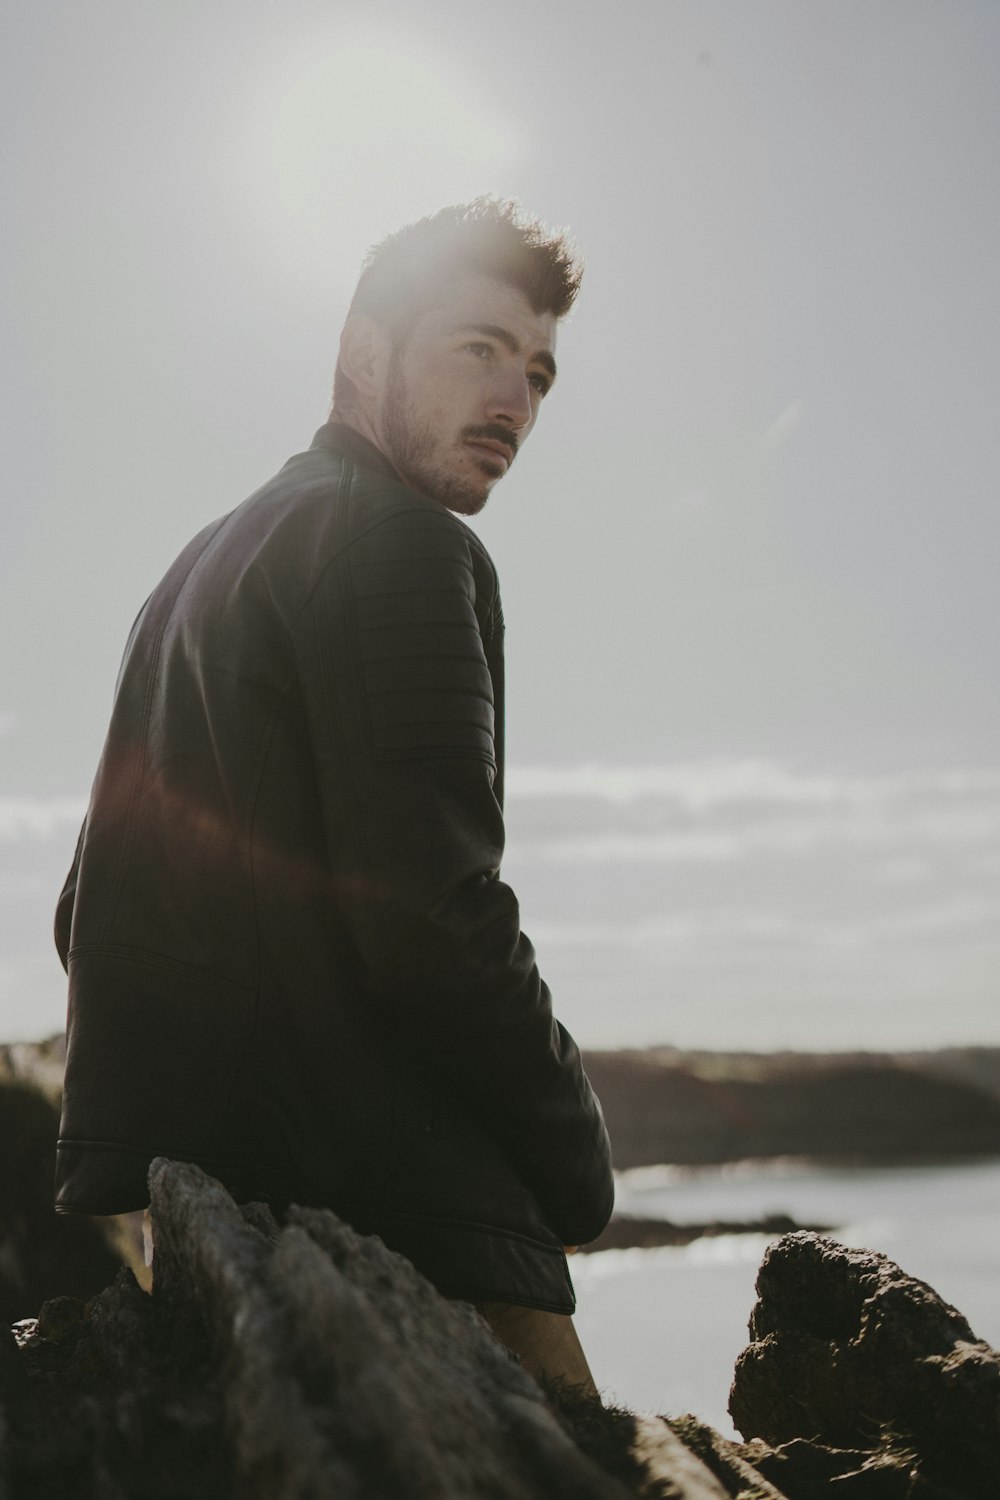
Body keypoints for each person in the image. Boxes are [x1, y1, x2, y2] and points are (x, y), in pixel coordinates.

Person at [53, 198, 614, 1391]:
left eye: (539, 374)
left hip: (212, 1227)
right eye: (478, 351)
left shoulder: (196, 569)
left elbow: (83, 908)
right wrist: (575, 1154)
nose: (515, 404)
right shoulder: (402, 542)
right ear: (365, 349)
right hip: (402, 1219)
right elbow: (431, 915)